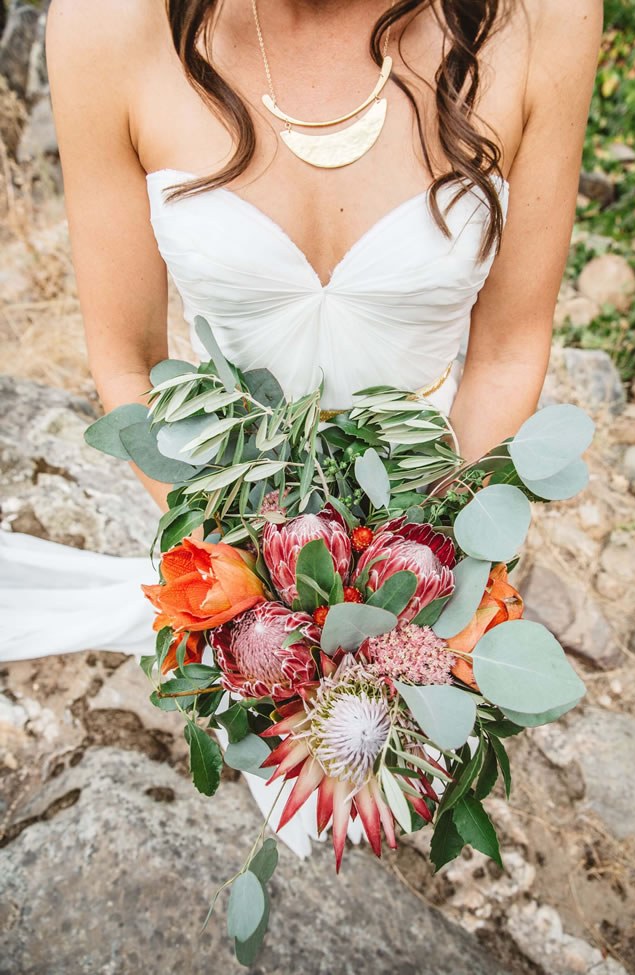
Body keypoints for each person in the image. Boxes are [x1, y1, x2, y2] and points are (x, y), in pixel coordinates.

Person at [0, 0, 601, 850]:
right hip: (236, 538)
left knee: (397, 805)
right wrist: (250, 593)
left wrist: (417, 582)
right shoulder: (104, 23)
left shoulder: (547, 17)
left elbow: (507, 352)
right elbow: (126, 361)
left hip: (433, 524)